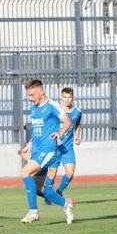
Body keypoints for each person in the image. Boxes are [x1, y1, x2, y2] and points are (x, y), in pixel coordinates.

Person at [19, 80, 74, 224]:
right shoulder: (33, 109)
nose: (30, 98)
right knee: (44, 190)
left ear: (41, 92)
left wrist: (60, 132)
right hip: (37, 151)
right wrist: (29, 145)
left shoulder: (52, 106)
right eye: (28, 96)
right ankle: (66, 205)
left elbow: (68, 122)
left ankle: (33, 212)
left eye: (32, 95)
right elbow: (37, 131)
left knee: (25, 172)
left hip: (49, 151)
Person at [54, 87, 81, 196]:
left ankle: (59, 192)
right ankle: (49, 195)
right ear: (61, 98)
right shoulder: (56, 111)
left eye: (69, 97)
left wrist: (77, 136)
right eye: (65, 97)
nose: (67, 99)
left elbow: (78, 123)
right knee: (50, 174)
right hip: (54, 147)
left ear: (73, 98)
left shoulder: (77, 112)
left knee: (70, 173)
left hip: (67, 148)